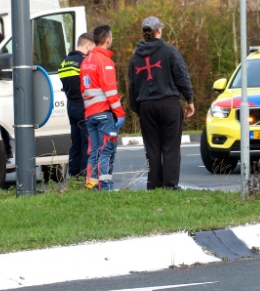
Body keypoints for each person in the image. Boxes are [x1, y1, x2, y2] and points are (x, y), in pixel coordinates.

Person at [128, 16, 195, 190]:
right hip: (168, 103)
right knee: (171, 146)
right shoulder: (169, 52)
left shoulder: (135, 58)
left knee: (152, 147)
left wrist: (137, 108)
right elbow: (182, 76)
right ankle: (170, 185)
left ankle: (154, 185)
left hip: (146, 106)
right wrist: (189, 99)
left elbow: (132, 86)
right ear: (158, 30)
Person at [80, 25, 125, 190]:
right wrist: (119, 113)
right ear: (108, 40)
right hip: (104, 113)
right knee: (106, 150)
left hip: (90, 114)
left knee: (94, 151)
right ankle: (104, 185)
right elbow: (110, 90)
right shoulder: (104, 61)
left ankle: (91, 184)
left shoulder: (86, 61)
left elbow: (85, 89)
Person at [58, 33, 95, 178]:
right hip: (83, 106)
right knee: (86, 144)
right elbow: (87, 86)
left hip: (71, 106)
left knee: (75, 144)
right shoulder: (83, 62)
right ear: (87, 46)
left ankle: (74, 175)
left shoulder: (65, 62)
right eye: (91, 48)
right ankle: (86, 175)